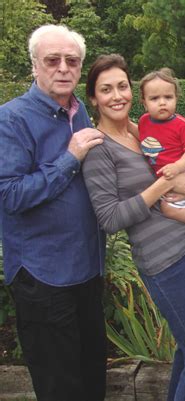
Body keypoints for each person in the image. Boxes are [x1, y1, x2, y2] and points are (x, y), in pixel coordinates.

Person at [82, 54, 185, 401]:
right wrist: (165, 185)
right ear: (93, 98)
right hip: (162, 263)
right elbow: (110, 218)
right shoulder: (99, 149)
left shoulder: (139, 130)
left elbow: (180, 157)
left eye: (122, 86)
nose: (116, 96)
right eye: (106, 89)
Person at [0, 25, 107, 401]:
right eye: (52, 60)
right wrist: (70, 158)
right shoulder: (11, 119)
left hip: (87, 271)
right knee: (61, 389)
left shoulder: (81, 115)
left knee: (93, 380)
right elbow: (9, 195)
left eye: (72, 61)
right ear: (35, 66)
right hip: (43, 276)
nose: (63, 68)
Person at [138, 68, 185, 244]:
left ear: (176, 98)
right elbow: (139, 134)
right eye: (154, 98)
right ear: (144, 102)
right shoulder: (144, 121)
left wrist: (177, 167)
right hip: (168, 176)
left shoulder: (182, 125)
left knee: (168, 208)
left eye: (168, 97)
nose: (162, 103)